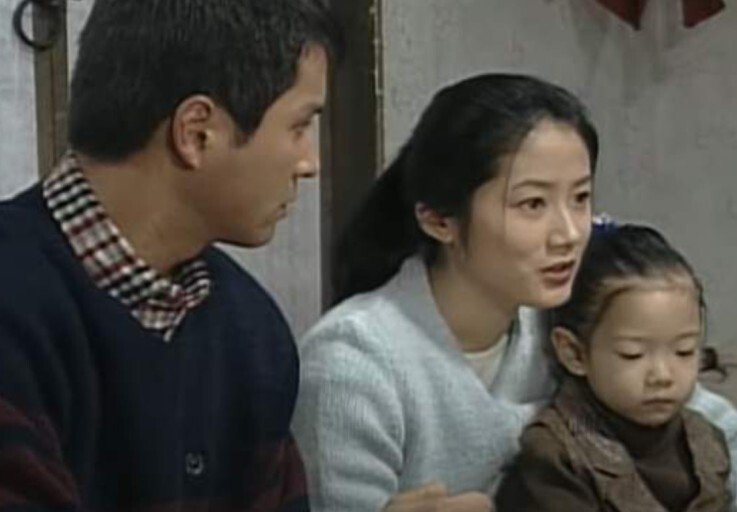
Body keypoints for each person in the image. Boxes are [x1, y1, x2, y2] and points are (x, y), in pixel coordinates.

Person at [291, 73, 737, 512]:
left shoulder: (558, 313)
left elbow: (697, 416)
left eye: (580, 198)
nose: (569, 234)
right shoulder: (353, 364)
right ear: (439, 220)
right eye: (532, 204)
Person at [0, 0, 341, 509]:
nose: (309, 163)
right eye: (298, 126)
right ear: (196, 132)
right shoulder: (16, 313)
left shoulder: (253, 333)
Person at [495, 222, 731, 511]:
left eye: (683, 351)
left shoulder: (707, 441)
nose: (662, 376)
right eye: (633, 354)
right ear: (574, 354)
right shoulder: (556, 456)